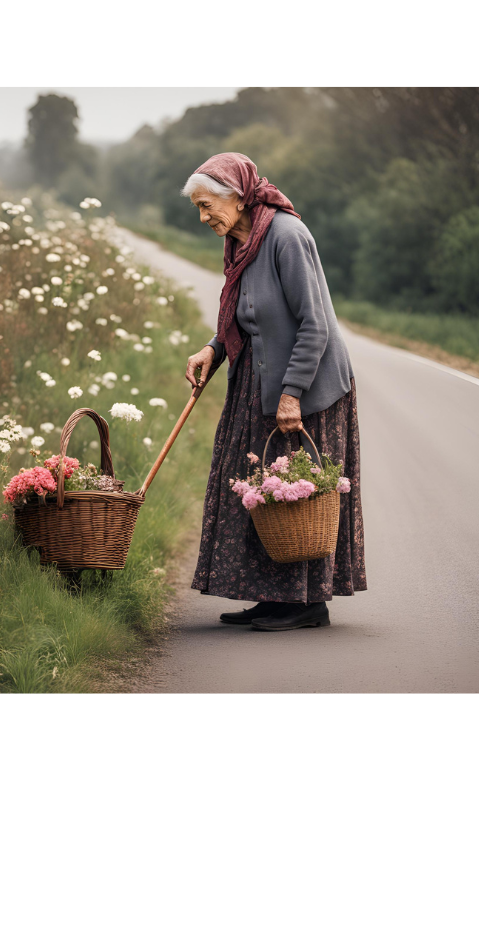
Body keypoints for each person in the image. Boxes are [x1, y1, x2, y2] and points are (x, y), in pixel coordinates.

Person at [183, 152, 366, 630]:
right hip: (256, 382)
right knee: (258, 492)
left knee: (296, 494)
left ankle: (305, 604)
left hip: (304, 390)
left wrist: (292, 395)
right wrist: (212, 349)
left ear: (239, 196)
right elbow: (245, 315)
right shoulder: (241, 241)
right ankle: (270, 596)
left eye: (208, 206)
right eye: (198, 209)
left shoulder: (286, 236)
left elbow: (315, 325)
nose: (204, 218)